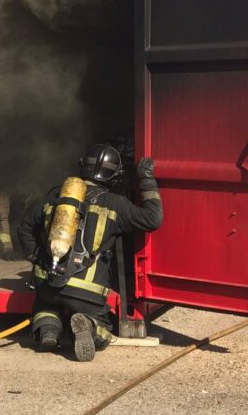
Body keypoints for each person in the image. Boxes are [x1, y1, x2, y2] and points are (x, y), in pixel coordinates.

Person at [18, 144, 163, 362]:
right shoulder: (116, 204)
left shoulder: (55, 197)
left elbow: (24, 227)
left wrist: (37, 257)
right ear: (115, 176)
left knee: (45, 306)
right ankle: (90, 325)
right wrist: (147, 180)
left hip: (49, 283)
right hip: (87, 293)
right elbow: (153, 219)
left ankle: (48, 330)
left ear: (81, 166)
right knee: (103, 327)